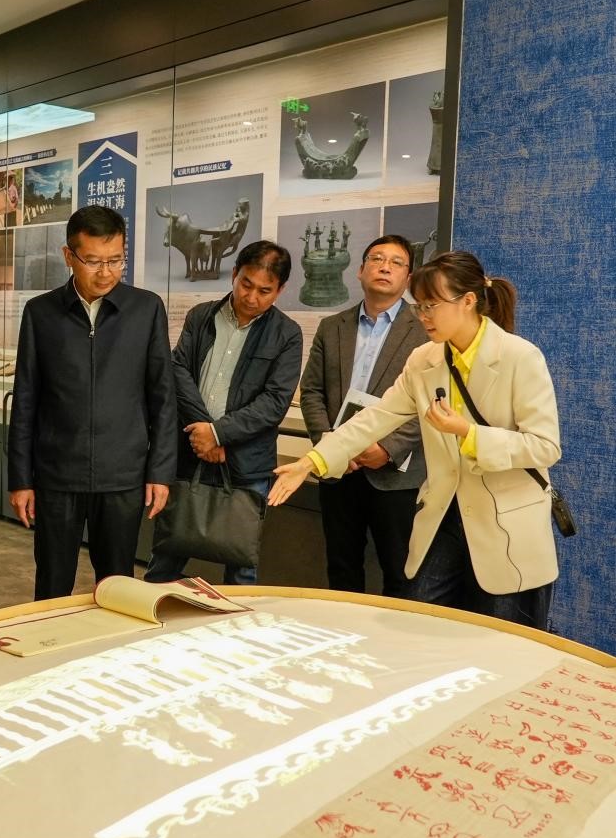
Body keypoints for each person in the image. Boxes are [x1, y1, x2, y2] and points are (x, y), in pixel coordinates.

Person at [269, 252, 561, 629]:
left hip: (505, 524)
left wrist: (468, 433)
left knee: (501, 640)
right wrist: (312, 461)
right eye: (419, 305)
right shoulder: (424, 360)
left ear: (468, 301)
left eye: (431, 305)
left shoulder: (520, 357)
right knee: (419, 625)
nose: (423, 315)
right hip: (443, 517)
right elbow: (375, 418)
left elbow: (544, 446)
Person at [8, 205, 177, 600]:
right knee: (52, 584)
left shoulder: (146, 309)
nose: (106, 272)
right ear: (69, 256)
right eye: (94, 261)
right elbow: (26, 399)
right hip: (57, 475)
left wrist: (160, 471)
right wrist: (21, 479)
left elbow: (163, 397)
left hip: (122, 476)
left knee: (118, 587)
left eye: (116, 260)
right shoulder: (41, 313)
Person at [144, 240, 302, 585]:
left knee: (241, 560)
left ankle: (234, 619)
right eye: (246, 284)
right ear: (234, 274)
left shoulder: (287, 334)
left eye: (265, 291)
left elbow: (275, 401)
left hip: (246, 463)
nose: (251, 297)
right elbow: (178, 371)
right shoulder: (201, 316)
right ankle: (151, 606)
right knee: (169, 548)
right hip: (190, 452)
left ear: (280, 290)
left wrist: (219, 434)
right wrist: (203, 429)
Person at [299, 234, 427, 597]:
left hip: (397, 475)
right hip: (340, 470)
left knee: (400, 573)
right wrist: (330, 444)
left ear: (408, 278)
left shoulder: (424, 329)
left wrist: (387, 449)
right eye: (377, 259)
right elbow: (311, 391)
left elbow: (429, 404)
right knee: (342, 567)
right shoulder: (332, 326)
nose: (385, 267)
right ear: (359, 270)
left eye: (396, 262)